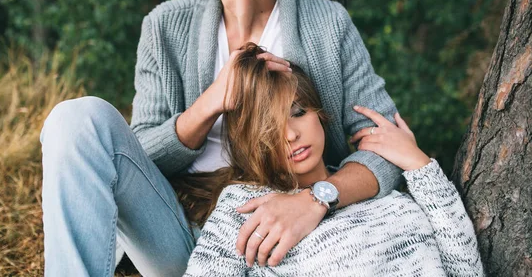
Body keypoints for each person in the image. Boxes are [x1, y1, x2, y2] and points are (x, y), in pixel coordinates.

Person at [40, 0, 403, 275]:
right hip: (177, 233)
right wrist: (211, 102)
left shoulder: (327, 26)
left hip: (279, 246)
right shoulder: (165, 26)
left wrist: (315, 199)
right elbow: (138, 154)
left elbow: (386, 148)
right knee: (76, 118)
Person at [182, 43, 484, 276]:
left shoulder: (384, 193)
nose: (289, 135)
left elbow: (466, 269)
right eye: (270, 129)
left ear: (320, 115)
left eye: (298, 113)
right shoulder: (246, 207)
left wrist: (419, 164)